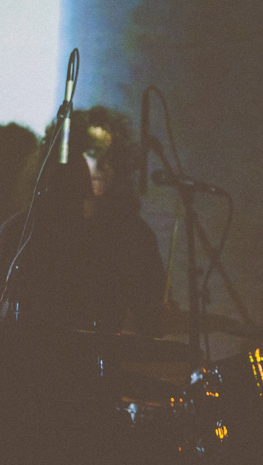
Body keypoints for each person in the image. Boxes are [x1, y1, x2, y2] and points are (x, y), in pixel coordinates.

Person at [0, 106, 166, 335]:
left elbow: (150, 312)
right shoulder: (22, 230)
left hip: (101, 364)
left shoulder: (134, 236)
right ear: (64, 156)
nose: (104, 166)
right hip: (33, 362)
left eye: (111, 158)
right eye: (94, 153)